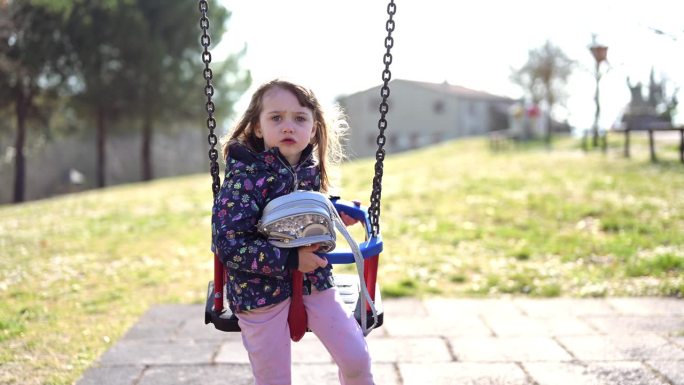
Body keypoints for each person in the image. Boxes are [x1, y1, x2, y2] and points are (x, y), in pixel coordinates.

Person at [212, 79, 374, 385]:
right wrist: (290, 260)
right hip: (259, 293)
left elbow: (304, 210)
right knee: (275, 380)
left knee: (357, 359)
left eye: (299, 118)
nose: (288, 126)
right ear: (258, 127)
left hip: (315, 281)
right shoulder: (244, 179)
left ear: (312, 129)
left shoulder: (309, 169)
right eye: (276, 118)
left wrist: (333, 214)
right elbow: (230, 243)